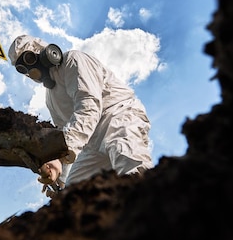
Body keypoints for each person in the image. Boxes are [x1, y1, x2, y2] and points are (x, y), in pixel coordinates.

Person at [8, 34, 154, 197]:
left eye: (28, 59)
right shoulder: (51, 99)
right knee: (74, 194)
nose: (29, 71)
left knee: (126, 156)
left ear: (45, 52)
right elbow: (66, 133)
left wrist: (63, 149)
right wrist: (58, 170)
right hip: (91, 143)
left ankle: (153, 207)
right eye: (22, 68)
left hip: (118, 116)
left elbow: (89, 106)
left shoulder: (73, 60)